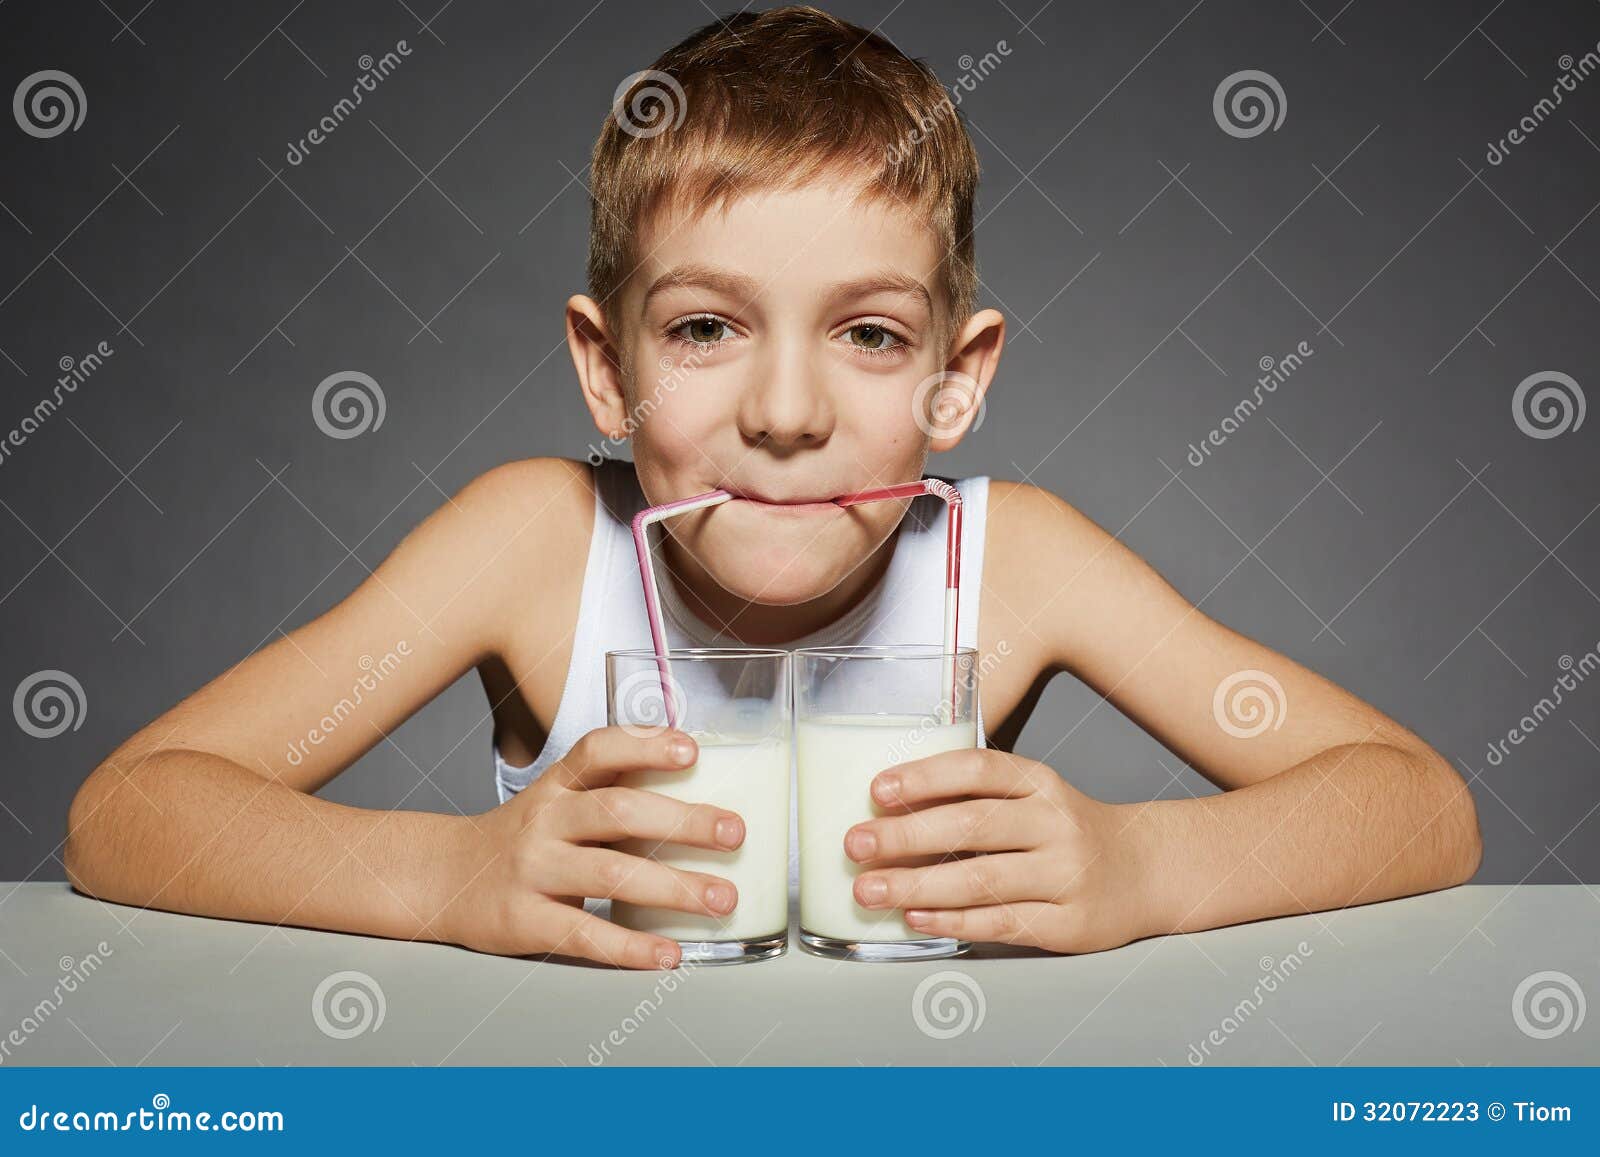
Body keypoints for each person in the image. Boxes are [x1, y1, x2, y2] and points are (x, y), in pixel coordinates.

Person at [65, 6, 1480, 970]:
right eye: (703, 329)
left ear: (958, 375)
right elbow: (129, 810)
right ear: (605, 369)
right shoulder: (536, 546)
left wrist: (1147, 870)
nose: (789, 415)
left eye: (869, 335)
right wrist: (443, 881)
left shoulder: (1013, 564)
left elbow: (1418, 802)